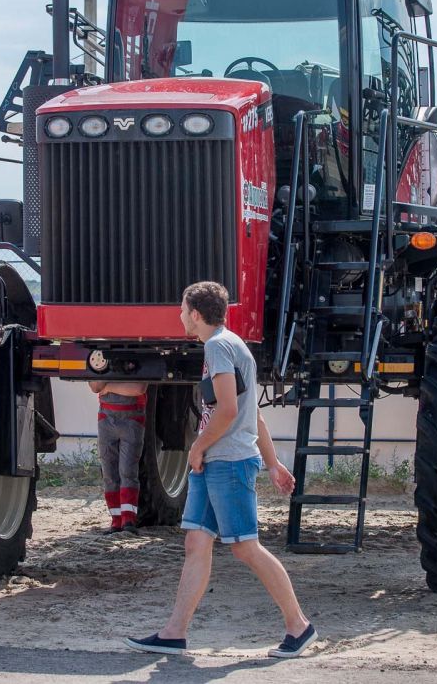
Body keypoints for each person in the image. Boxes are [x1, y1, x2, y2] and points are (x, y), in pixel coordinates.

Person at [125, 281, 316, 659]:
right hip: (216, 461)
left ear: (196, 314)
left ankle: (299, 626)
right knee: (196, 544)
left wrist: (197, 447)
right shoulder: (230, 344)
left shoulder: (218, 347)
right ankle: (174, 633)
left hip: (227, 462)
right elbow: (253, 414)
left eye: (183, 309)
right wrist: (273, 463)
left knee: (245, 547)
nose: (180, 315)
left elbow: (228, 410)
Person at [89, 380, 149, 534]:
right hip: (107, 418)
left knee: (127, 471)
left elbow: (139, 388)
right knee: (109, 473)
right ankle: (116, 520)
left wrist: (108, 387)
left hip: (130, 418)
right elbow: (95, 387)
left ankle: (128, 520)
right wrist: (121, 388)